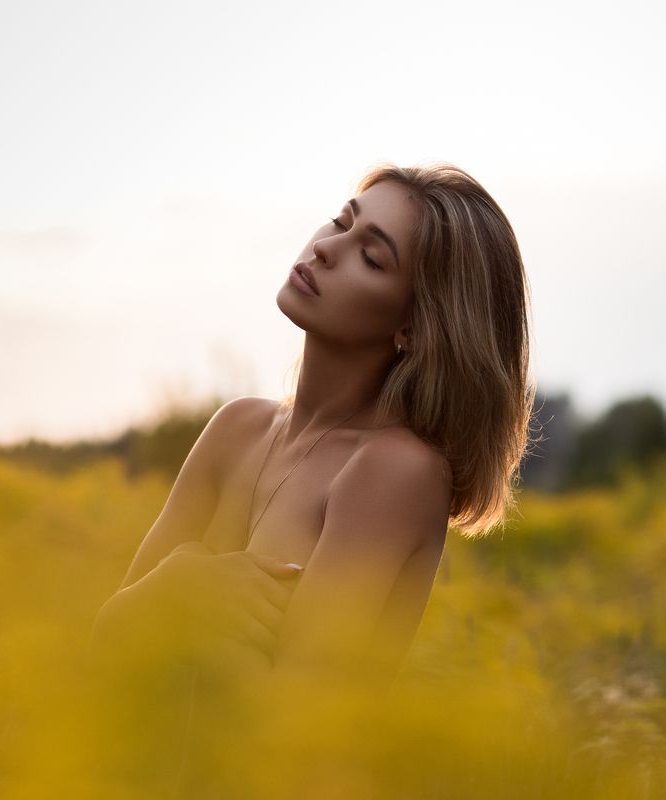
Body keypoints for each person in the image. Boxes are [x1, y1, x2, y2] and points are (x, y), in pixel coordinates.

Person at [89, 161, 533, 798]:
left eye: (371, 257)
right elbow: (102, 649)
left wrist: (168, 617)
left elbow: (290, 732)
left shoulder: (396, 471)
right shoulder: (235, 430)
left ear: (413, 326)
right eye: (340, 222)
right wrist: (181, 587)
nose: (326, 248)